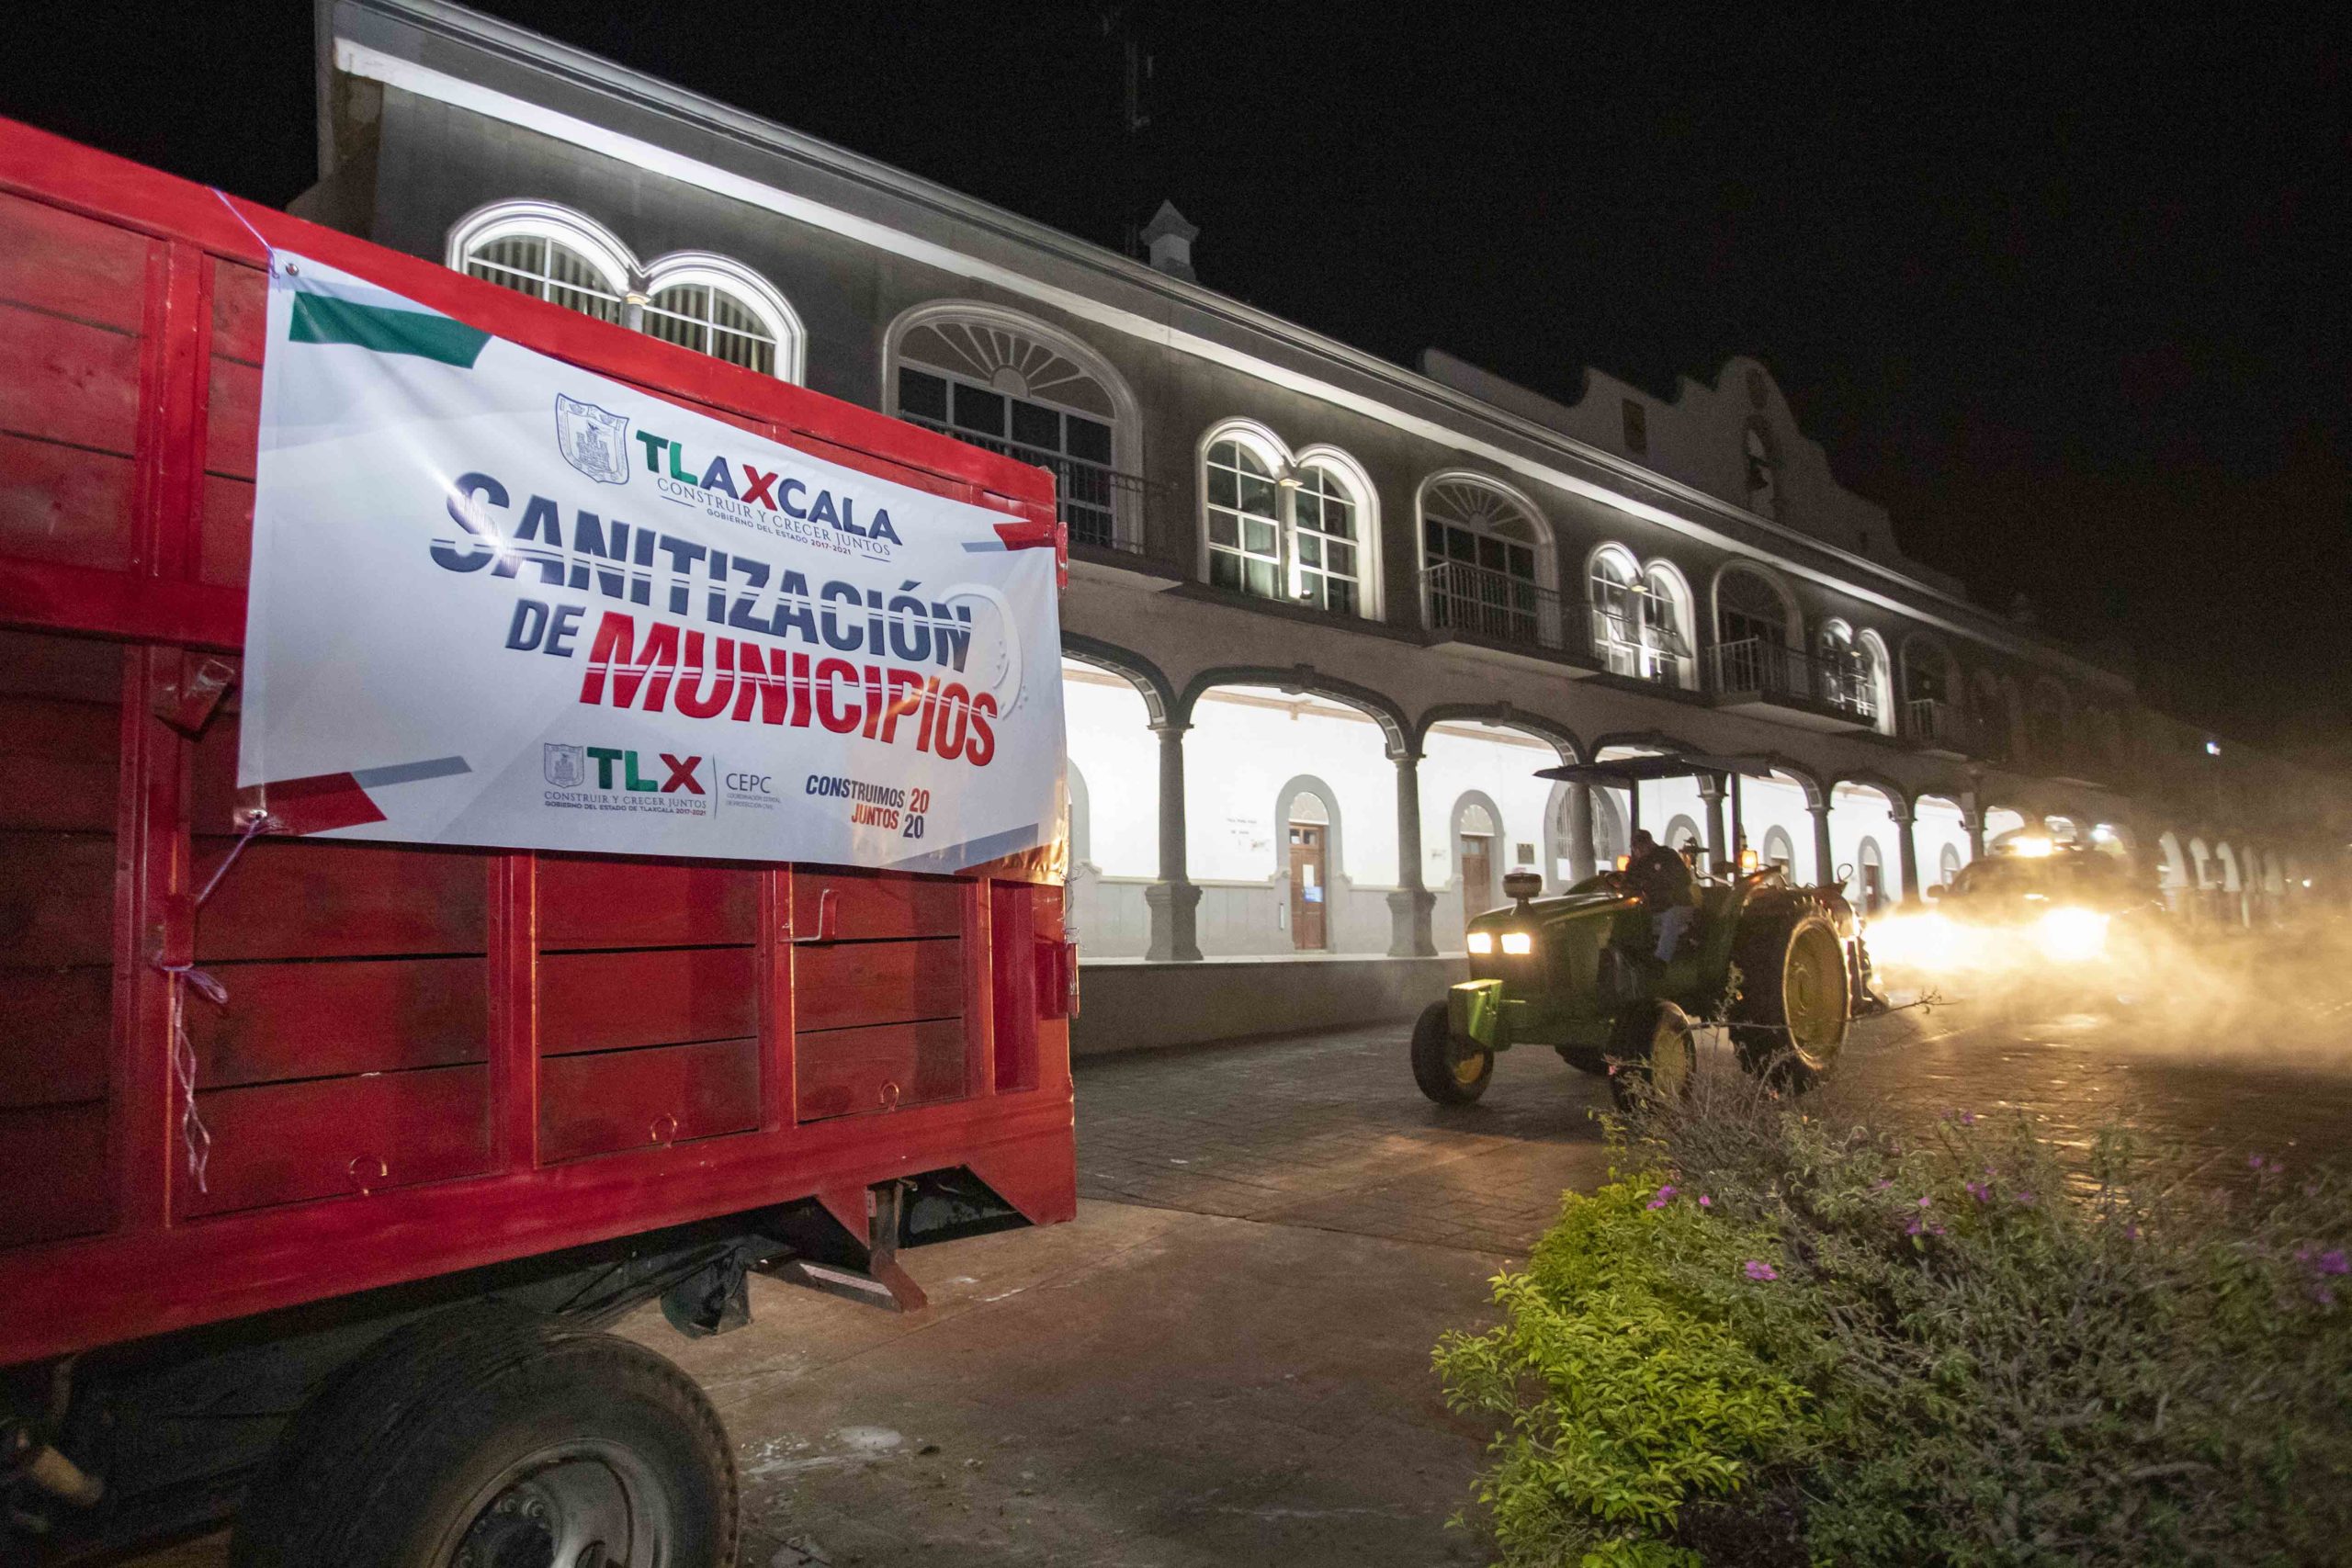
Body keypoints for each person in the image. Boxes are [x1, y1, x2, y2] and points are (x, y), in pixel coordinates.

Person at [1624, 829, 1699, 962]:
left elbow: (1684, 879)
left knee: (1671, 917)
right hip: (1652, 910)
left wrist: (1660, 882)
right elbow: (1628, 882)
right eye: (1636, 847)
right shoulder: (1635, 865)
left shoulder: (1667, 856)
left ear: (1650, 843)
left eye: (1641, 846)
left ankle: (1661, 961)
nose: (1639, 850)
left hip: (1678, 905)